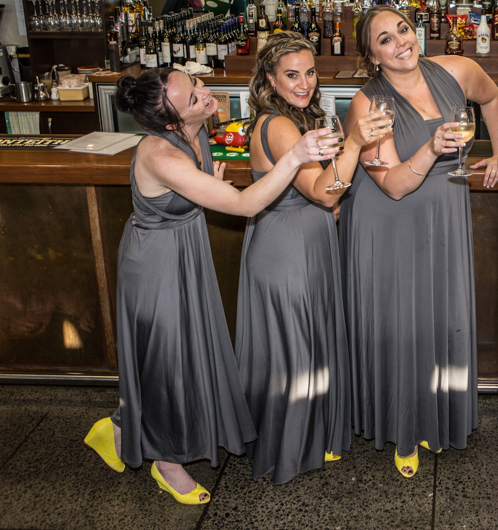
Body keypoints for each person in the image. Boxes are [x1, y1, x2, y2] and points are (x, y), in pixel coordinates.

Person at [83, 67, 333, 504]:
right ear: (172, 119)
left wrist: (206, 186)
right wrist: (294, 156)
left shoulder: (197, 130)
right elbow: (242, 204)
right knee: (167, 359)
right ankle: (166, 462)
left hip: (185, 249)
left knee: (183, 352)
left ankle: (122, 427)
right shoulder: (160, 154)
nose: (205, 91)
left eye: (197, 83)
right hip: (156, 265)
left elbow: (197, 194)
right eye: (194, 94)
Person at [339, 6, 498, 478]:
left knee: (439, 316)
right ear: (372, 57)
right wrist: (431, 148)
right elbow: (392, 183)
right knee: (404, 323)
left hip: (444, 211)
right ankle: (404, 428)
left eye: (404, 30)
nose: (401, 43)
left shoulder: (457, 69)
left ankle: (439, 415)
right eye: (385, 40)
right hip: (392, 221)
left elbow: (493, 100)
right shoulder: (368, 104)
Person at [235, 33, 392, 484]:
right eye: (291, 75)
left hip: (307, 242)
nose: (303, 83)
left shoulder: (300, 116)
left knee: (305, 345)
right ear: (269, 79)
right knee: (296, 349)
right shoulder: (279, 125)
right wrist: (356, 143)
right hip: (288, 250)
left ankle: (309, 436)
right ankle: (292, 448)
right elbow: (324, 192)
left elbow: (324, 188)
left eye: (309, 72)